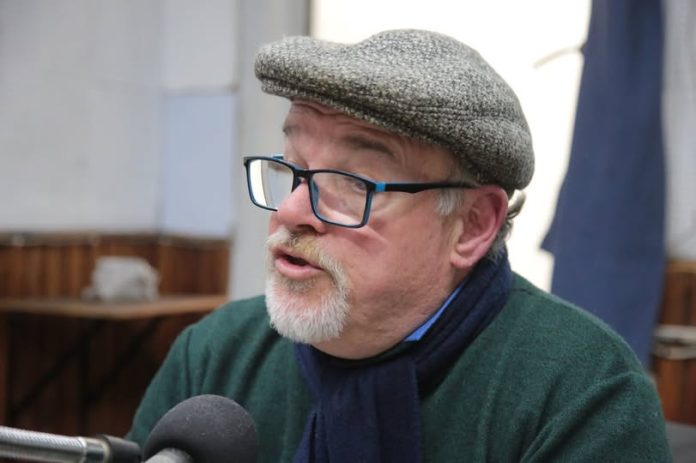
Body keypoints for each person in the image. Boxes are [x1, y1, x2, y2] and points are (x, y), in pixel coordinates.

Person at [128, 29, 671, 462]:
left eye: (352, 184)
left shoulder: (583, 392)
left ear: (472, 226)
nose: (291, 212)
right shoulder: (216, 354)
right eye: (292, 169)